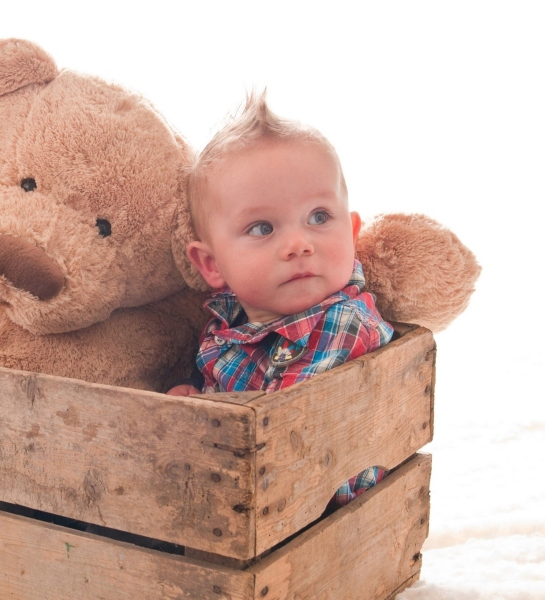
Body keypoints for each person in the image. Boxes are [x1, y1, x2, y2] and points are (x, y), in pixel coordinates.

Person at [167, 91, 394, 507]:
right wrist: (195, 403)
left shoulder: (341, 323)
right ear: (212, 264)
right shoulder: (229, 320)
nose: (298, 244)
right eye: (262, 228)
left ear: (353, 230)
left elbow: (279, 430)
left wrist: (207, 418)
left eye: (319, 217)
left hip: (309, 507)